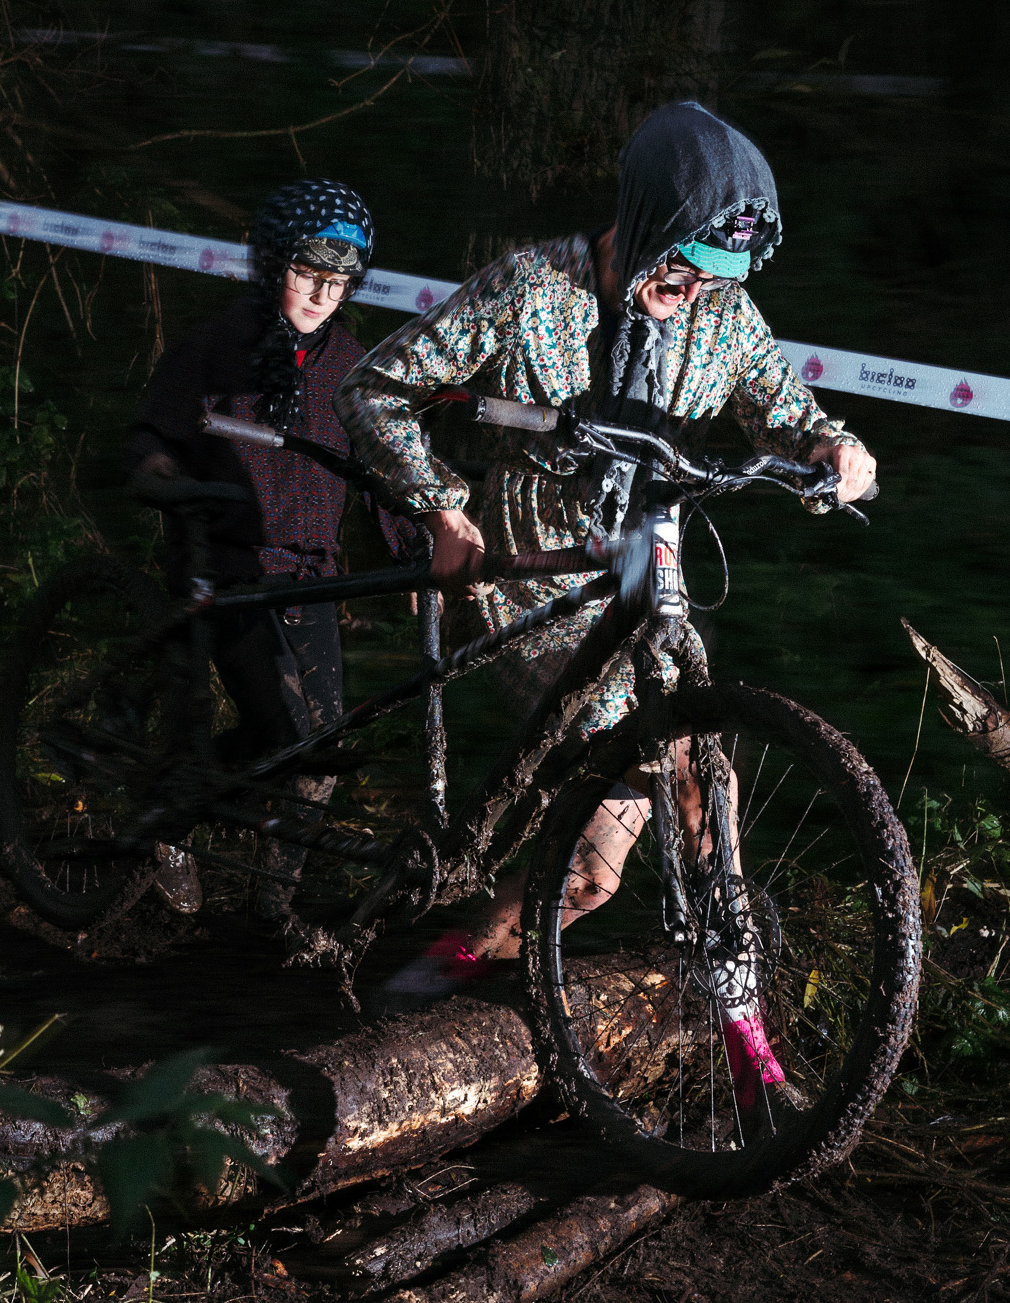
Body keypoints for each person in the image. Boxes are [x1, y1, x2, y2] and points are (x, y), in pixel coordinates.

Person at [333, 102, 876, 1094]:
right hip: (534, 560)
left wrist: (832, 449)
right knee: (642, 762)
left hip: (645, 561)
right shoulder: (531, 288)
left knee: (633, 839)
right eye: (683, 264)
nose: (693, 290)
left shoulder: (721, 311)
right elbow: (374, 388)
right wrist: (439, 507)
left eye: (715, 275)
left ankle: (723, 1029)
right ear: (643, 220)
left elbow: (782, 407)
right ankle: (427, 987)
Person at [126, 178, 379, 917]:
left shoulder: (351, 363)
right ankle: (167, 822)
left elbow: (381, 462)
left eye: (339, 281)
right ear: (272, 265)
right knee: (285, 731)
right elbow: (153, 431)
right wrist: (160, 470)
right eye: (307, 273)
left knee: (321, 748)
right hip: (228, 564)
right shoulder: (214, 345)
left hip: (312, 576)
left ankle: (275, 905)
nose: (322, 294)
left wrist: (429, 532)